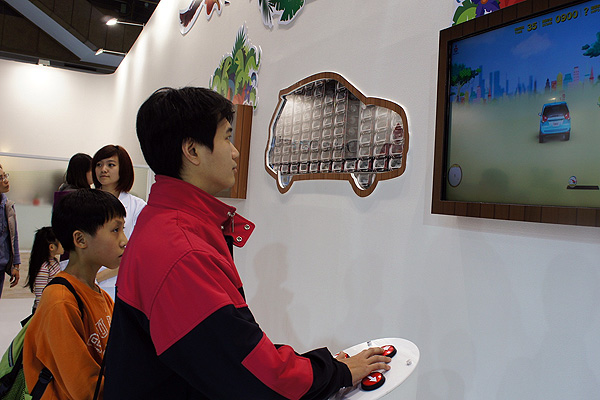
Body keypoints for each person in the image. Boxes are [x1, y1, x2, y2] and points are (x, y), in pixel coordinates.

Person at [103, 87, 391, 399]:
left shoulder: (163, 221)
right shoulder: (182, 250)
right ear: (192, 151)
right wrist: (336, 372)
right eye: (227, 137)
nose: (236, 152)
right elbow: (249, 371)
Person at [23, 189, 127, 400]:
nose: (124, 240)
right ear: (80, 239)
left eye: (123, 229)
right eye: (115, 230)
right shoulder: (60, 302)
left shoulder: (101, 295)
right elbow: (86, 391)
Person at [92, 145, 146, 299]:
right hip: (85, 278)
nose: (103, 170)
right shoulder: (84, 202)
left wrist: (99, 277)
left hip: (119, 282)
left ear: (123, 169)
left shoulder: (138, 206)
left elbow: (137, 251)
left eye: (111, 165)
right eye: (99, 164)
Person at [24, 227, 64, 312]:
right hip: (44, 310)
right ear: (51, 247)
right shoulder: (44, 268)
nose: (64, 244)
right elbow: (40, 296)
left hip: (52, 307)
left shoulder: (54, 262)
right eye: (61, 242)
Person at [0, 163, 20, 299]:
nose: (6, 181)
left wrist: (16, 265)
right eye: (0, 178)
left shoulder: (8, 206)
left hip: (1, 266)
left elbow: (13, 237)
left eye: (5, 176)